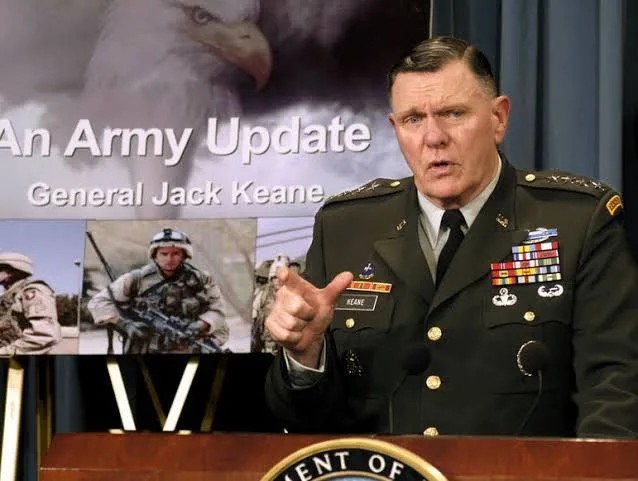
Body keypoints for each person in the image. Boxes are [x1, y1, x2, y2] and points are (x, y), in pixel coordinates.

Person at [264, 36, 638, 438]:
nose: (434, 137)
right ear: (395, 128)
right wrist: (305, 356)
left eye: (453, 113)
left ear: (498, 118)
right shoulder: (346, 226)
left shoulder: (576, 221)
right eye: (413, 119)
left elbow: (616, 390)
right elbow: (306, 425)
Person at [88, 228, 228, 353]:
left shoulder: (201, 279)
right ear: (155, 255)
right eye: (164, 254)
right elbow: (97, 303)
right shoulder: (137, 279)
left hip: (186, 346)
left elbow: (218, 310)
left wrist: (198, 326)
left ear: (184, 255)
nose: (169, 259)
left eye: (175, 253)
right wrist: (125, 324)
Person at [0, 252, 61, 356]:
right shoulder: (9, 296)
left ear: (11, 271)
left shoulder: (32, 291)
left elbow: (44, 336)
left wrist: (5, 352)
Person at [252, 255, 291, 354]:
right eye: (275, 277)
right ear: (271, 278)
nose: (278, 280)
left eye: (280, 277)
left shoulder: (292, 296)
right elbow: (254, 317)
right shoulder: (263, 294)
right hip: (267, 343)